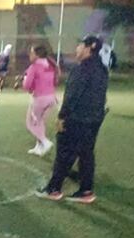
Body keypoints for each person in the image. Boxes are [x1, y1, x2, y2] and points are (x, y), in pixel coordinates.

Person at [36, 36, 108, 204]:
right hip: (95, 118)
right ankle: (86, 190)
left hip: (77, 119)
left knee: (64, 153)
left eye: (80, 45)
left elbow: (72, 96)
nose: (77, 48)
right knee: (86, 154)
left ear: (89, 48)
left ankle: (54, 189)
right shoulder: (102, 69)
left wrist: (62, 116)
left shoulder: (81, 69)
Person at [22, 45, 59, 156]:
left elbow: (27, 85)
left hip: (39, 99)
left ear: (37, 55)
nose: (30, 55)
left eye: (32, 53)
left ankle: (45, 142)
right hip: (51, 98)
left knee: (30, 123)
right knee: (40, 122)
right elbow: (54, 81)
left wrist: (25, 81)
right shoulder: (51, 66)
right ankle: (39, 147)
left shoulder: (34, 67)